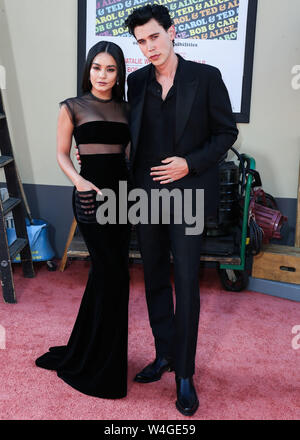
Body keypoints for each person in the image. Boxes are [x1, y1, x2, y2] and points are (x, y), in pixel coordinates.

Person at [124, 5, 239, 416]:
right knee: (154, 279)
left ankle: (185, 374)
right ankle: (163, 355)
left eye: (154, 37)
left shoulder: (205, 78)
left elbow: (227, 131)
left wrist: (189, 163)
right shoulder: (136, 83)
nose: (148, 47)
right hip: (145, 197)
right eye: (140, 41)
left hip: (188, 197)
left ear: (173, 32)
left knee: (187, 284)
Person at [35, 41, 131, 399]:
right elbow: (61, 153)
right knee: (110, 273)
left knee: (114, 275)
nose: (102, 75)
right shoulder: (72, 107)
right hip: (90, 195)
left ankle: (96, 350)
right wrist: (80, 181)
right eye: (96, 68)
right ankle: (96, 359)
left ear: (118, 72)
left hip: (123, 198)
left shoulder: (127, 108)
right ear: (87, 69)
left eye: (110, 69)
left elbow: (129, 154)